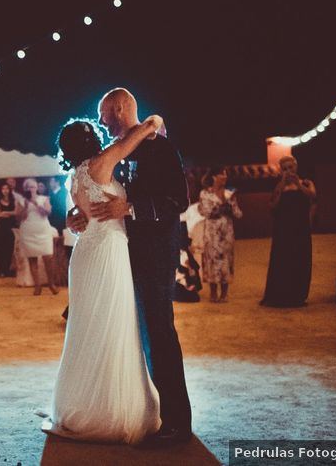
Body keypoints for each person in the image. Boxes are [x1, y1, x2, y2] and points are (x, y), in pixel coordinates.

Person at [67, 88, 192, 446]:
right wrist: (80, 213)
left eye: (104, 114)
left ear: (120, 107)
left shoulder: (160, 147)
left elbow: (177, 200)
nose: (102, 123)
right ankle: (143, 410)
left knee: (159, 333)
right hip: (120, 256)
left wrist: (132, 207)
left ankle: (177, 424)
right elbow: (102, 193)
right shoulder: (118, 154)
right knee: (134, 334)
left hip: (154, 254)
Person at [261, 155, 316, 307]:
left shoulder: (306, 182)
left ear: (296, 167)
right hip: (283, 229)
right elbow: (272, 206)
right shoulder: (279, 186)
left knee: (300, 259)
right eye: (284, 169)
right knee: (283, 259)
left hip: (301, 228)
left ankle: (298, 295)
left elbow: (312, 196)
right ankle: (281, 294)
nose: (288, 171)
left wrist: (298, 184)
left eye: (290, 167)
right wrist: (281, 186)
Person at [197, 167, 243, 303]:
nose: (224, 176)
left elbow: (238, 214)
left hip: (227, 232)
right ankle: (212, 292)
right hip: (211, 233)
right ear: (214, 177)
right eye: (221, 174)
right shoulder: (205, 193)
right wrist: (221, 207)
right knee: (211, 260)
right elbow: (205, 212)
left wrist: (231, 205)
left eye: (225, 174)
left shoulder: (230, 193)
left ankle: (224, 293)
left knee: (226, 261)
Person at [16, 178, 58, 295]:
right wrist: (25, 206)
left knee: (48, 258)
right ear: (25, 189)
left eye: (33, 186)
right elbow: (19, 218)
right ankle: (37, 286)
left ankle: (51, 284)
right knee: (32, 258)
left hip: (43, 231)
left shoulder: (44, 199)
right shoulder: (21, 201)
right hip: (28, 231)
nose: (31, 189)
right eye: (28, 187)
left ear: (37, 188)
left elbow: (47, 213)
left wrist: (35, 203)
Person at [0, 183, 18, 278]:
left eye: (6, 188)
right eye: (3, 188)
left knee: (9, 250)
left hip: (11, 228)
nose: (5, 190)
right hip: (1, 228)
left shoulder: (13, 201)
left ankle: (7, 270)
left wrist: (5, 212)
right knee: (1, 250)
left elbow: (16, 212)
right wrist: (4, 214)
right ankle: (2, 271)